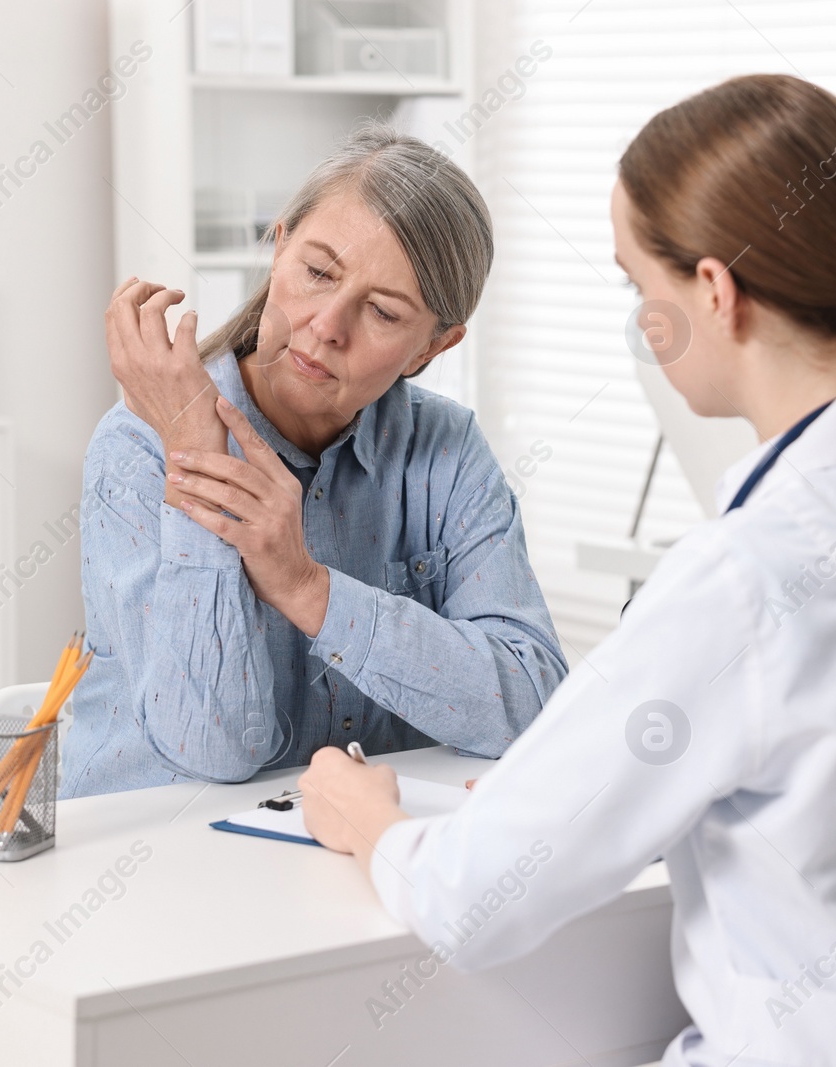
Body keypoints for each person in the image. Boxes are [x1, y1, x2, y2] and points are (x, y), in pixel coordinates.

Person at [299, 75, 836, 1067]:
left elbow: (473, 897)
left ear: (714, 292)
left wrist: (370, 821)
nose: (643, 319)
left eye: (641, 285)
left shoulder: (749, 570)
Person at [62, 125, 568, 796]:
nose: (328, 324)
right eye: (318, 272)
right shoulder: (139, 447)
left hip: (347, 857)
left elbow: (533, 700)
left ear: (432, 349)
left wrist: (306, 587)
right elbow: (210, 746)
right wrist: (198, 453)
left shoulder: (444, 451)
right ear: (279, 249)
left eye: (384, 312)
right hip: (157, 859)